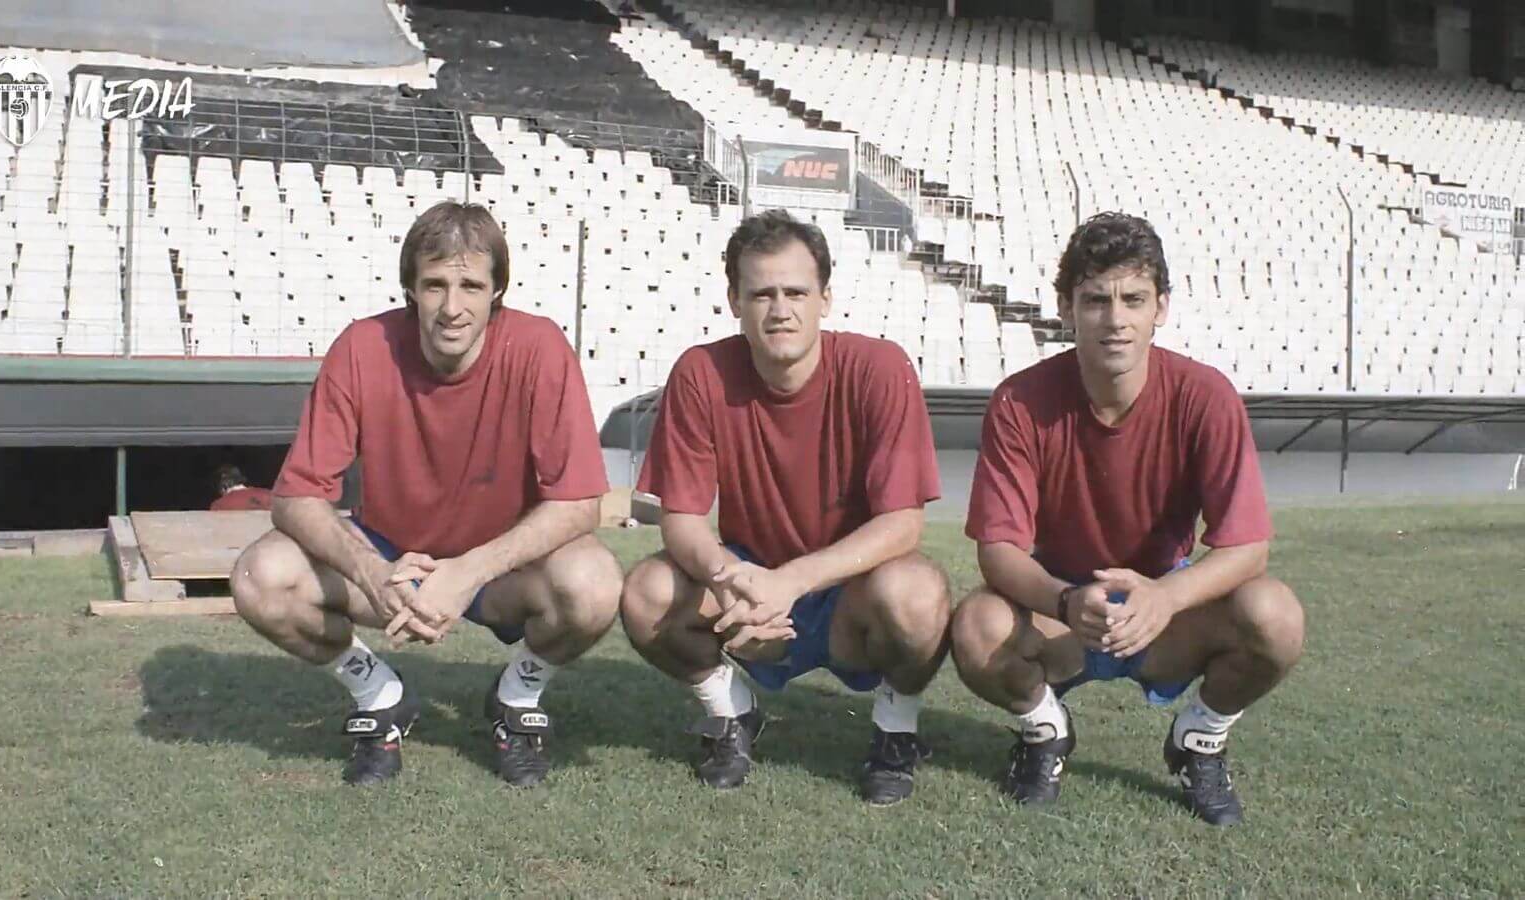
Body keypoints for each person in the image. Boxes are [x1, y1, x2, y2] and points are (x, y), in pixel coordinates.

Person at [230, 202, 623, 788]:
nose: (452, 306)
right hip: (394, 562)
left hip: (499, 568)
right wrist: (373, 572)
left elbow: (579, 502)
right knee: (259, 576)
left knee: (594, 584)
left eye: (471, 286)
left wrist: (468, 571)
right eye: (435, 284)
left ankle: (517, 699)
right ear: (411, 288)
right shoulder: (363, 346)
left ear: (497, 291)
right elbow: (295, 496)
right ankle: (379, 695)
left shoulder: (539, 347)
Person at [951, 212, 1305, 826]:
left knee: (1275, 616)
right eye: (1096, 300)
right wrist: (1067, 601)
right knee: (976, 624)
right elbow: (998, 549)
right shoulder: (1020, 400)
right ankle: (1045, 732)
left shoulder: (1205, 396)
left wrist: (1165, 598)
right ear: (1066, 308)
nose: (1115, 319)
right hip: (1062, 606)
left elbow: (1247, 547)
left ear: (1160, 307)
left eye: (1133, 299)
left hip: (1166, 605)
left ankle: (1201, 739)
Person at [619, 210, 951, 806]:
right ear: (734, 301)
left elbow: (903, 522)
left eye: (796, 292)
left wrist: (791, 582)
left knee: (918, 594)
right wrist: (729, 578)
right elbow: (682, 518)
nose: (780, 310)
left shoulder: (879, 368)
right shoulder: (701, 372)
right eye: (761, 294)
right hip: (749, 585)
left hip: (850, 592)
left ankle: (896, 730)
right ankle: (731, 712)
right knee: (647, 592)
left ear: (825, 299)